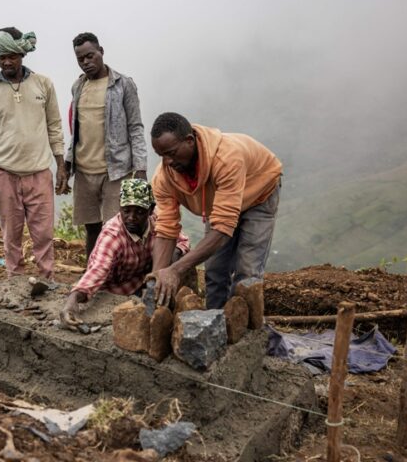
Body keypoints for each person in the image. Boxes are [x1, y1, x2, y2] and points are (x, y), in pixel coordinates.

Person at [148, 112, 282, 310]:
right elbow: (167, 228)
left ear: (189, 141)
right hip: (220, 203)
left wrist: (176, 270)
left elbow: (222, 228)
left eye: (172, 153)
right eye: (162, 156)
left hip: (259, 195)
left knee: (247, 271)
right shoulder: (163, 178)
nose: (167, 162)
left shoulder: (227, 158)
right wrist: (157, 276)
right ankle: (214, 323)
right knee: (215, 268)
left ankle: (246, 334)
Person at [0, 27, 68, 280]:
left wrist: (60, 165)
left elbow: (55, 126)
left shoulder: (43, 84)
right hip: (4, 174)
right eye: (1, 56)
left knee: (44, 235)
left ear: (22, 55)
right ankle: (15, 285)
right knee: (11, 236)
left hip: (39, 173)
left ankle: (46, 282)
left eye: (12, 56)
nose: (6, 61)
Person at [60, 179, 189, 327]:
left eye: (139, 212)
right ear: (120, 206)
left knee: (177, 258)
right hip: (115, 290)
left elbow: (183, 241)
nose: (131, 218)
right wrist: (73, 300)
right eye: (126, 211)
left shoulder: (158, 221)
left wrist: (169, 264)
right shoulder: (112, 235)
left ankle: (167, 306)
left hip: (143, 281)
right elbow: (97, 270)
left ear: (151, 209)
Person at [65, 33, 147, 260]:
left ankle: (119, 276)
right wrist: (67, 163)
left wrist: (140, 168)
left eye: (90, 56)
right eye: (80, 59)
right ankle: (93, 273)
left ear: (101, 51)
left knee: (116, 227)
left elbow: (136, 127)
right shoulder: (78, 86)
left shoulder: (123, 84)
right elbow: (76, 130)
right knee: (91, 227)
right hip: (84, 169)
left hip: (115, 170)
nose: (86, 62)